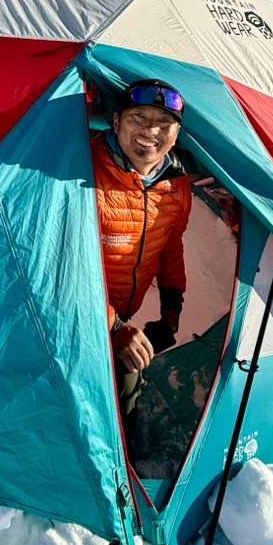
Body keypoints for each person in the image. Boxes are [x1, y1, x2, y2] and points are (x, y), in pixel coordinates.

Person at [91, 79, 192, 443]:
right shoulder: (84, 175)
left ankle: (123, 456)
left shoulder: (176, 184)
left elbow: (170, 245)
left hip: (121, 316)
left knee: (124, 403)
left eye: (163, 122)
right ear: (116, 122)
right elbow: (59, 271)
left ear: (177, 133)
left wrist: (171, 310)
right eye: (138, 117)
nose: (150, 131)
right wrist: (114, 328)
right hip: (74, 319)